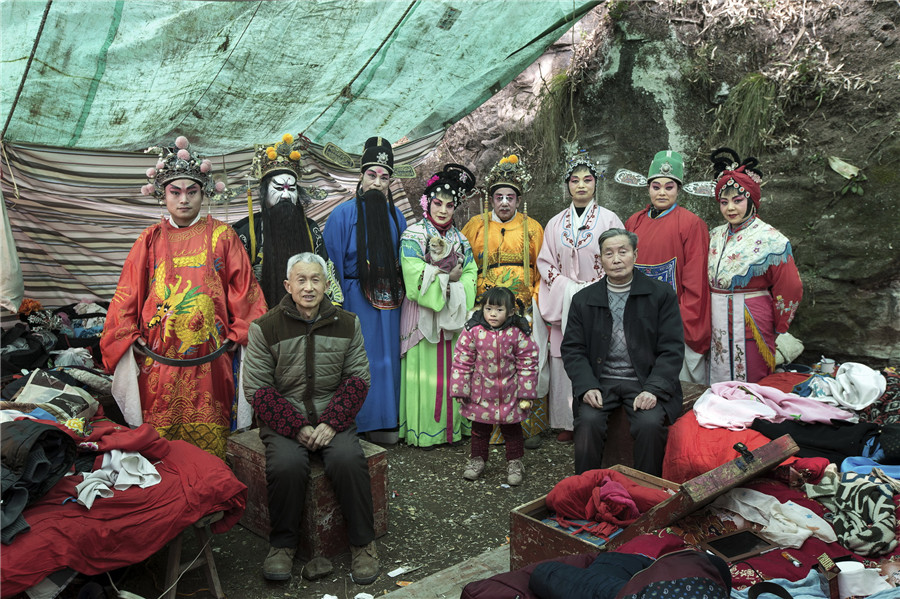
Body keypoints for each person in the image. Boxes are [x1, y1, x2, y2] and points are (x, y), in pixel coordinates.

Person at [101, 136, 266, 459]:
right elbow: (127, 294)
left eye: (192, 192)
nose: (184, 199)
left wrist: (241, 331)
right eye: (175, 192)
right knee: (159, 453)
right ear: (163, 196)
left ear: (204, 194)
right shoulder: (149, 239)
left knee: (211, 450)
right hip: (157, 366)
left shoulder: (223, 236)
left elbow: (246, 292)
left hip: (212, 365)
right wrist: (126, 333)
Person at [242, 252, 378, 584]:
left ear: (326, 284)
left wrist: (331, 422)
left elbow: (358, 379)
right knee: (286, 465)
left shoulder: (347, 323)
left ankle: (363, 544)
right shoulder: (264, 327)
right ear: (287, 285)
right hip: (285, 419)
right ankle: (282, 546)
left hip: (334, 415)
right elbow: (258, 389)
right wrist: (297, 426)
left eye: (316, 279)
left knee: (348, 460)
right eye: (301, 280)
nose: (308, 287)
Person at [561, 228, 684, 476]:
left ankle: (645, 490)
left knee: (650, 425)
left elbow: (672, 348)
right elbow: (573, 349)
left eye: (623, 252)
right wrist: (587, 386)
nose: (616, 259)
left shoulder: (660, 294)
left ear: (635, 255)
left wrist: (654, 389)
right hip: (600, 381)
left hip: (643, 380)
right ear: (600, 260)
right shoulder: (583, 299)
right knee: (588, 423)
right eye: (609, 254)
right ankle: (586, 487)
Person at [461, 153, 548, 449]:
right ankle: (484, 429)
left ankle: (527, 427)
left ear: (519, 200)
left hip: (522, 309)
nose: (504, 203)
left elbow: (542, 267)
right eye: (499, 197)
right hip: (484, 309)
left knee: (524, 364)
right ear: (491, 199)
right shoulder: (476, 225)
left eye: (510, 197)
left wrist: (535, 302)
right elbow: (465, 263)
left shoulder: (533, 228)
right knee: (485, 366)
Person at [324, 136, 407, 441]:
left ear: (390, 182)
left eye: (384, 178)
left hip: (392, 300)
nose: (377, 183)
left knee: (389, 360)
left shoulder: (397, 217)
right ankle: (358, 422)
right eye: (372, 175)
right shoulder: (342, 215)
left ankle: (388, 421)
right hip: (354, 297)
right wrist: (336, 305)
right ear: (361, 176)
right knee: (361, 360)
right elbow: (330, 264)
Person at [537, 152, 624, 444]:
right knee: (565, 357)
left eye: (587, 179)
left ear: (596, 183)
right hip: (565, 300)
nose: (581, 185)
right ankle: (567, 421)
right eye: (575, 180)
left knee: (600, 355)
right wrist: (566, 287)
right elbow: (545, 262)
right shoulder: (554, 223)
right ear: (568, 185)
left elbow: (619, 257)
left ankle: (599, 420)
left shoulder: (609, 219)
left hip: (600, 297)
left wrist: (595, 288)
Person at [398, 164, 478, 447]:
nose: (443, 210)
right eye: (437, 203)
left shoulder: (461, 239)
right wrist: (447, 278)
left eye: (449, 205)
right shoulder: (413, 235)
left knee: (456, 368)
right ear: (427, 202)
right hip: (422, 312)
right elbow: (412, 272)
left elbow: (471, 273)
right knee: (424, 372)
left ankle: (453, 429)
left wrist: (455, 286)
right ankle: (423, 431)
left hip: (452, 311)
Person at [707, 148, 803, 383]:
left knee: (752, 379)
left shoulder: (772, 239)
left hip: (751, 319)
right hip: (716, 319)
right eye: (724, 202)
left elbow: (790, 287)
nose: (730, 208)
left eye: (738, 201)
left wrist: (779, 325)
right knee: (718, 378)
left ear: (751, 200)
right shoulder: (715, 234)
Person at [624, 150, 711, 384]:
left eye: (669, 187)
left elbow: (696, 280)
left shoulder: (692, 224)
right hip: (638, 318)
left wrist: (678, 320)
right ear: (648, 188)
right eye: (656, 186)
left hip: (674, 320)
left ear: (678, 189)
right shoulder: (634, 222)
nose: (662, 192)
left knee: (676, 386)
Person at [232, 133, 342, 307]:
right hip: (261, 314)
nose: (285, 195)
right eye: (278, 188)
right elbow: (236, 284)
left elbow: (325, 274)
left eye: (291, 189)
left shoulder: (310, 229)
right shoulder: (246, 231)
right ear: (264, 192)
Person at [450, 286, 539, 485]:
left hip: (510, 392)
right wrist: (460, 389)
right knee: (479, 430)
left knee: (512, 430)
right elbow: (462, 359)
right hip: (480, 393)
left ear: (511, 311)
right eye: (488, 309)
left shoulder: (518, 332)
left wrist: (526, 393)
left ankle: (515, 463)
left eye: (499, 310)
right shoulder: (473, 330)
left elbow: (528, 362)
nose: (492, 314)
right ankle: (477, 460)